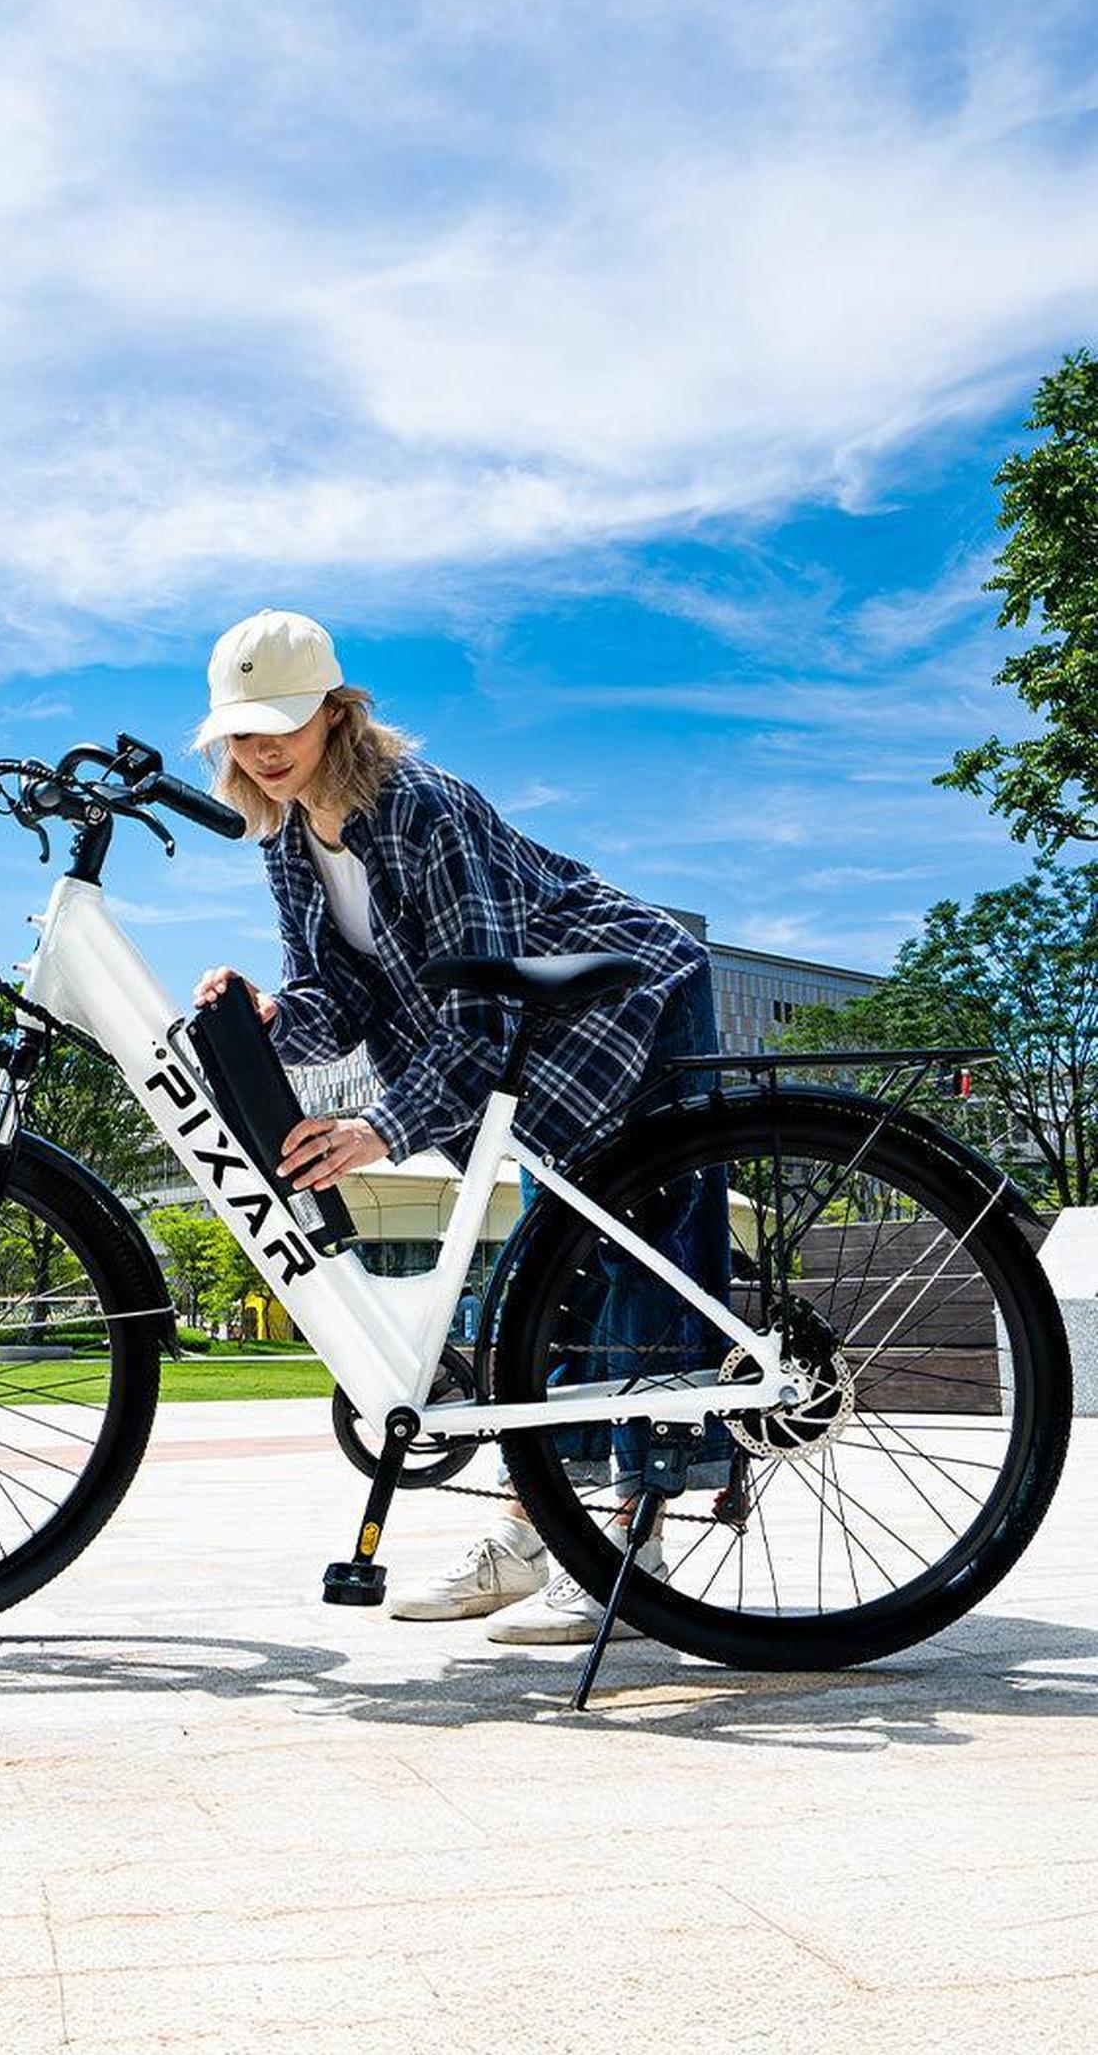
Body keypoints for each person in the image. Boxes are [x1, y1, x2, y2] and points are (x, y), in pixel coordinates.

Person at [191, 608, 729, 1646]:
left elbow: (481, 1008)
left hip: (624, 993)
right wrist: (267, 1013)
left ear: (337, 713)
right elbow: (334, 998)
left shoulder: (419, 808)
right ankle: (541, 1532)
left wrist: (382, 1130)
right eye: (240, 733)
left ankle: (632, 1543)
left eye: (280, 726)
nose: (261, 751)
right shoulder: (288, 834)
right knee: (551, 1269)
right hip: (526, 1029)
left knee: (639, 1256)